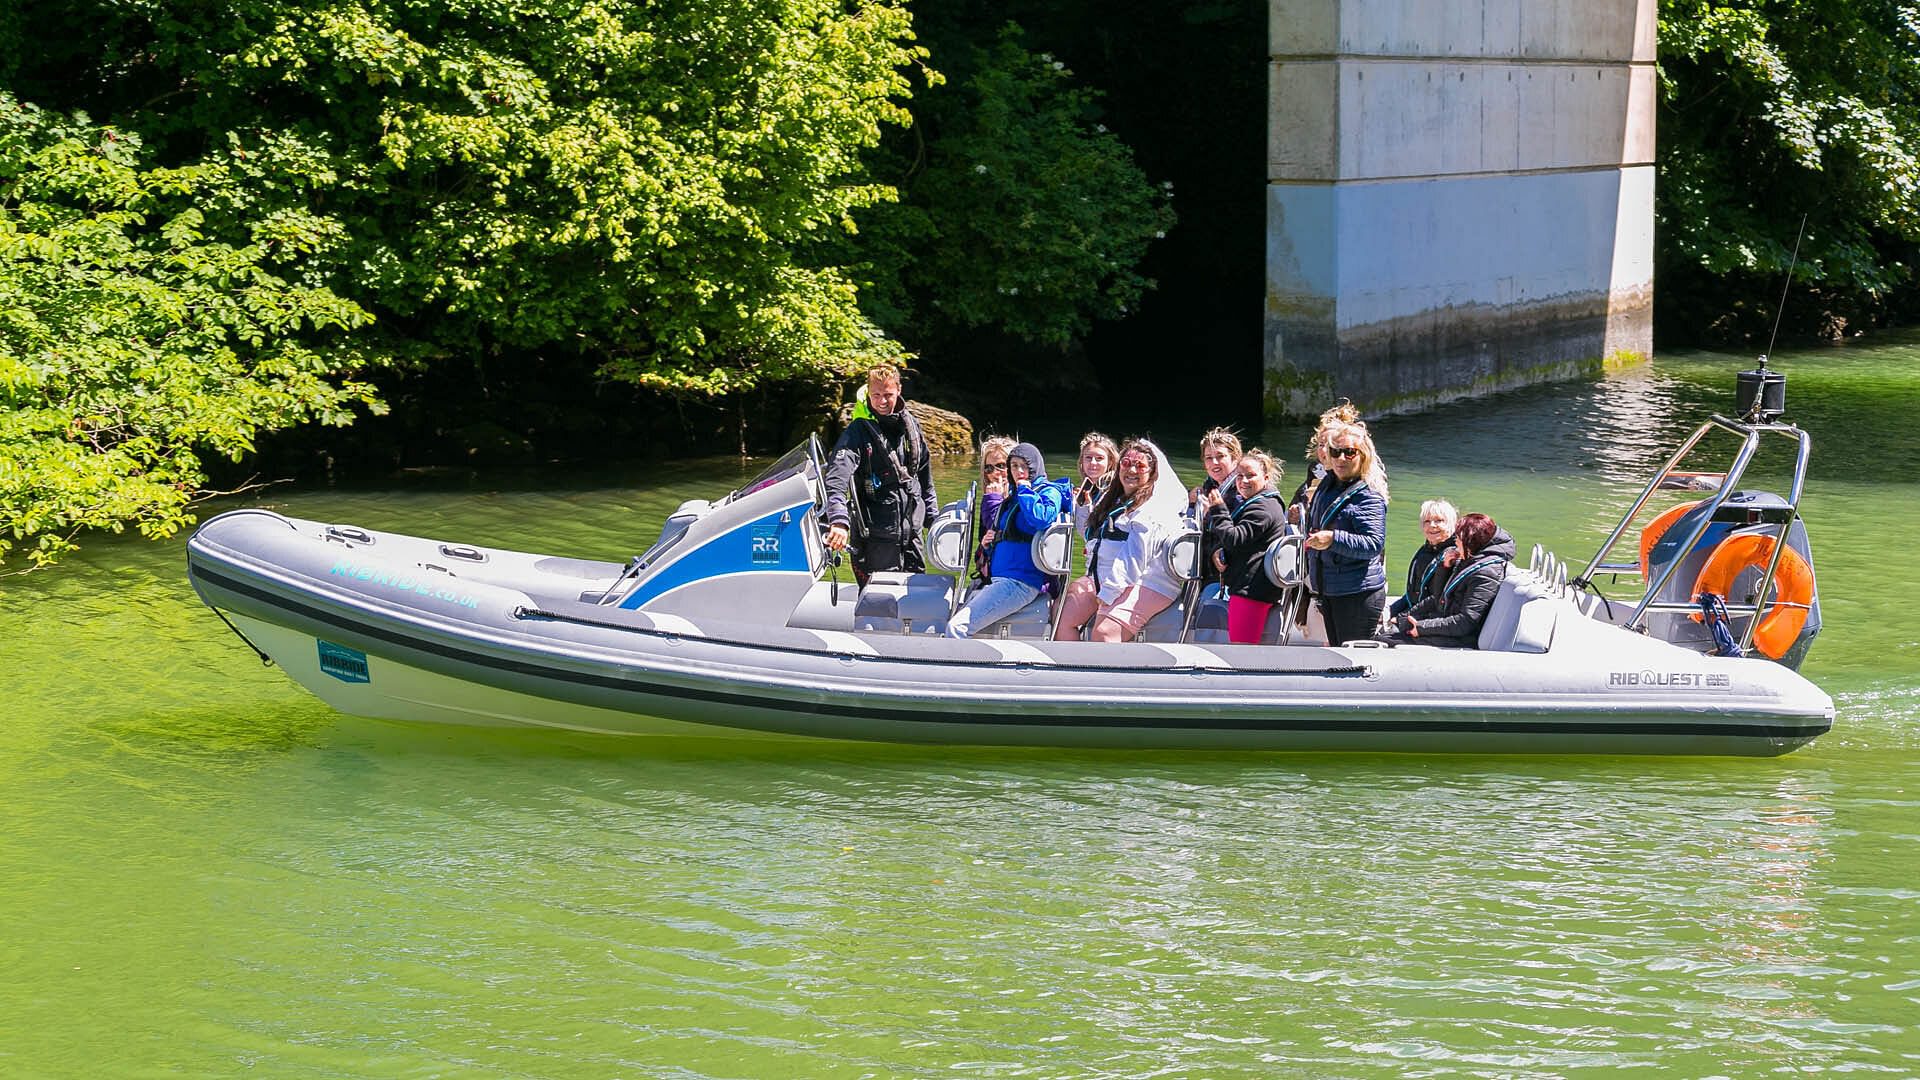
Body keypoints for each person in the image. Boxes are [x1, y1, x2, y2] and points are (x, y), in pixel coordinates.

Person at [1053, 439, 1188, 642]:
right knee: (1062, 617)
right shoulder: (1115, 500)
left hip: (1147, 580)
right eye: (1126, 463)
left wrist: (1108, 593)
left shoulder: (1152, 510)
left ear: (1152, 473)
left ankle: (1105, 672)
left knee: (1104, 632)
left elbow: (1134, 558)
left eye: (1140, 465)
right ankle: (1075, 669)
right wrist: (1082, 508)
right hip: (1104, 578)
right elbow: (1091, 537)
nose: (1131, 469)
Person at [823, 364, 938, 583]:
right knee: (879, 607)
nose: (882, 402)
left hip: (912, 536)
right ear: (868, 392)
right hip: (875, 540)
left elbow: (925, 479)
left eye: (888, 395)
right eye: (876, 395)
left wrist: (935, 523)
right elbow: (836, 480)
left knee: (915, 600)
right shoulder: (857, 432)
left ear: (899, 390)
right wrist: (838, 520)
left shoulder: (911, 426)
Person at [947, 443, 1071, 638]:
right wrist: (989, 544)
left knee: (956, 627)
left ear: (1034, 466)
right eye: (1014, 466)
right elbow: (1007, 533)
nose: (1019, 471)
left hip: (1019, 582)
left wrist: (1024, 489)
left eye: (1024, 466)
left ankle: (955, 667)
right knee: (957, 618)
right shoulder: (1013, 498)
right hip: (1003, 579)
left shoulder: (1048, 491)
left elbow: (1041, 518)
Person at [1303, 417, 1389, 645]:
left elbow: (1373, 544)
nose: (1341, 458)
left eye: (1349, 452)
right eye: (1335, 451)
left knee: (1353, 661)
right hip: (1330, 589)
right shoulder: (1327, 484)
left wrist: (1333, 538)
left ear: (1363, 456)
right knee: (1337, 654)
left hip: (1357, 594)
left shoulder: (1369, 496)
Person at [1377, 512, 1515, 648]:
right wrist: (1445, 568)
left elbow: (1465, 622)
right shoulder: (1470, 560)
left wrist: (1421, 628)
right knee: (1383, 634)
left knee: (1382, 641)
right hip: (1445, 624)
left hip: (1461, 638)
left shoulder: (1486, 573)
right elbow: (1439, 598)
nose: (1455, 541)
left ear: (1470, 541)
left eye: (1459, 538)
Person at [1204, 449, 1288, 644]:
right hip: (1251, 588)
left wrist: (1218, 509)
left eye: (1251, 476)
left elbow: (1234, 539)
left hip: (1251, 591)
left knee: (1241, 649)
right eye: (1239, 476)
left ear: (1265, 478)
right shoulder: (1258, 503)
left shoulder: (1263, 508)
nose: (1244, 481)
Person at [1388, 499, 1459, 621]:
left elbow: (1437, 598)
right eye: (1427, 521)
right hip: (1415, 613)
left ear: (1451, 523)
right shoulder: (1426, 550)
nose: (1432, 525)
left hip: (1432, 619)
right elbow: (1414, 593)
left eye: (1439, 520)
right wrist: (1391, 611)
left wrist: (1403, 617)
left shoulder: (1454, 555)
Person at [971, 435, 1018, 586]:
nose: (994, 473)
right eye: (989, 468)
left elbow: (1002, 531)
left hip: (1016, 578)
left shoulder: (1023, 498)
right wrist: (983, 546)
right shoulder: (990, 496)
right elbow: (986, 541)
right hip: (994, 576)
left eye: (1001, 466)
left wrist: (993, 499)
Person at [1072, 432, 1120, 534]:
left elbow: (1090, 532)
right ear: (1082, 461)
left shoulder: (1112, 489)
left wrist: (1085, 507)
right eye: (1088, 458)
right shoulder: (1091, 489)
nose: (1093, 463)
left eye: (1099, 458)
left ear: (1110, 461)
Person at [1190, 428, 1244, 515]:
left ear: (1235, 458)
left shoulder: (1243, 489)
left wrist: (1210, 513)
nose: (1214, 462)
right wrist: (1192, 504)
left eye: (1220, 456)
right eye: (1208, 458)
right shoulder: (1210, 484)